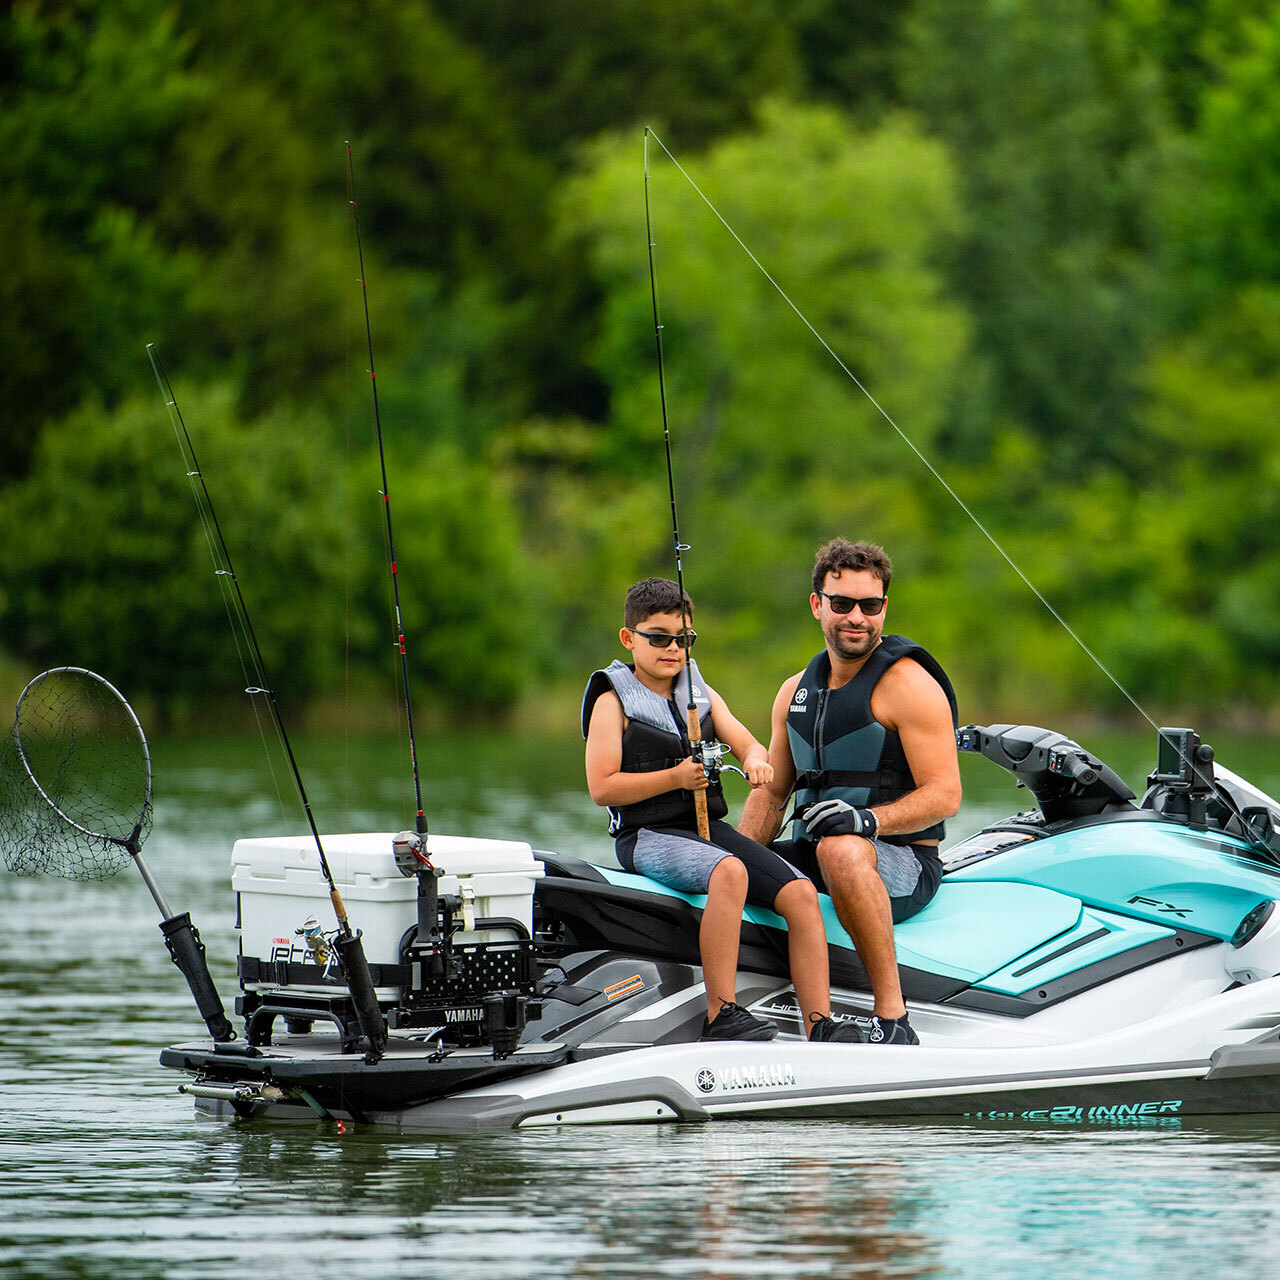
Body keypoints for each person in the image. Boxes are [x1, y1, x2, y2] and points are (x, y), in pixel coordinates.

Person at [583, 576, 862, 1042]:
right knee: (730, 872)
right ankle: (721, 1013)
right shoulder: (612, 701)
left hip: (704, 828)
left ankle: (820, 1024)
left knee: (800, 893)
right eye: (658, 638)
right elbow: (602, 788)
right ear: (629, 639)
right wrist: (674, 778)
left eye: (683, 639)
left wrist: (756, 761)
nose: (672, 649)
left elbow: (745, 741)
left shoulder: (698, 691)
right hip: (646, 836)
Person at [739, 539, 961, 1046]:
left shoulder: (909, 685)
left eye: (871, 605)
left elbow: (946, 794)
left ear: (885, 607)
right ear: (818, 605)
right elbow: (773, 793)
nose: (856, 617)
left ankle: (893, 1018)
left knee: (841, 849)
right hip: (820, 855)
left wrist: (868, 822)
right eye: (842, 604)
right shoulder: (794, 691)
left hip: (901, 861)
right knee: (727, 867)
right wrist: (734, 857)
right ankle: (725, 1007)